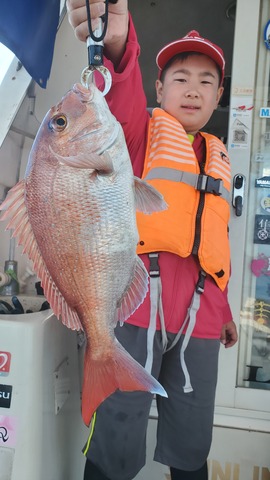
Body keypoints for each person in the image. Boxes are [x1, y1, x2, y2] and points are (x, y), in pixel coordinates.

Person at [67, 1, 238, 479]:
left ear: (218, 95)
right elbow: (120, 96)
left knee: (192, 444)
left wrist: (223, 310)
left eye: (206, 82)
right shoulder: (138, 136)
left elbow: (214, 237)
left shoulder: (219, 157)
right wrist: (118, 48)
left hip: (201, 319)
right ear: (159, 88)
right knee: (116, 443)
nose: (193, 90)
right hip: (135, 307)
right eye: (180, 79)